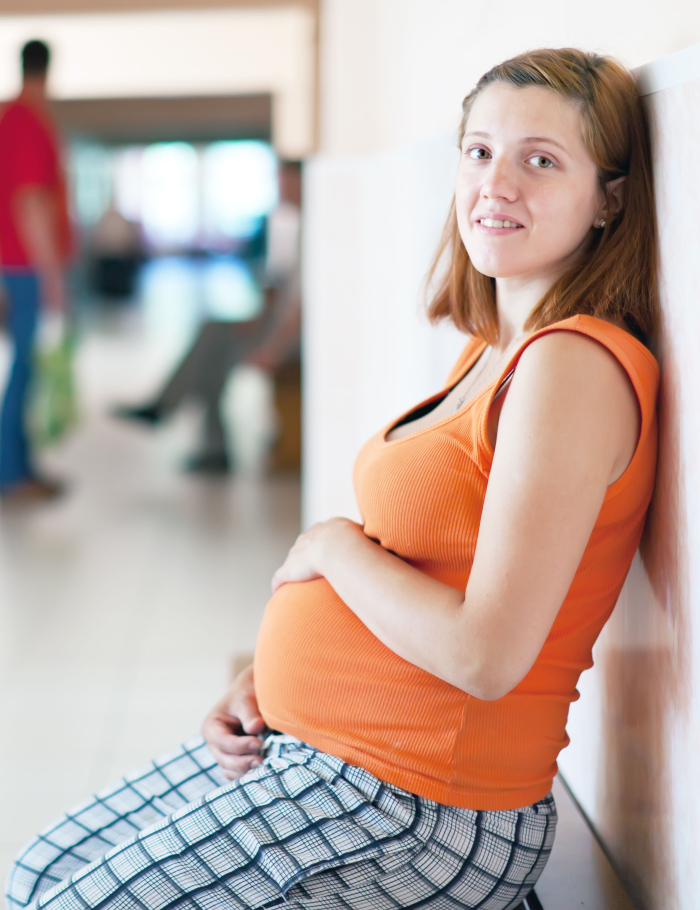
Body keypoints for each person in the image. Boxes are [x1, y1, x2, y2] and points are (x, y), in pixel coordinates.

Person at [6, 48, 659, 910]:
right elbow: (435, 563)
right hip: (326, 750)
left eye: (541, 160)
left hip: (426, 807)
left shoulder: (570, 367)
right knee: (36, 875)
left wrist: (331, 550)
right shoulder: (493, 350)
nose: (497, 183)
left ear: (609, 196)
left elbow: (487, 655)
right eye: (478, 151)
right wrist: (274, 684)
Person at [112, 161, 302, 474]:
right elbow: (280, 286)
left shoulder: (318, 228)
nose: (279, 189)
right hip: (274, 326)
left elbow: (301, 308)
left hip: (289, 338)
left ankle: (176, 417)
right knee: (212, 332)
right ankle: (178, 419)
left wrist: (272, 350)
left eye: (284, 181)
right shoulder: (290, 225)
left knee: (211, 357)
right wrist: (259, 317)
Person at [0, 40, 70, 502]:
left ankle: (22, 467)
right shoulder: (26, 122)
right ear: (48, 70)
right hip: (26, 268)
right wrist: (51, 277)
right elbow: (29, 203)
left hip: (17, 267)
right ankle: (11, 474)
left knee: (28, 369)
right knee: (25, 369)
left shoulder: (11, 120)